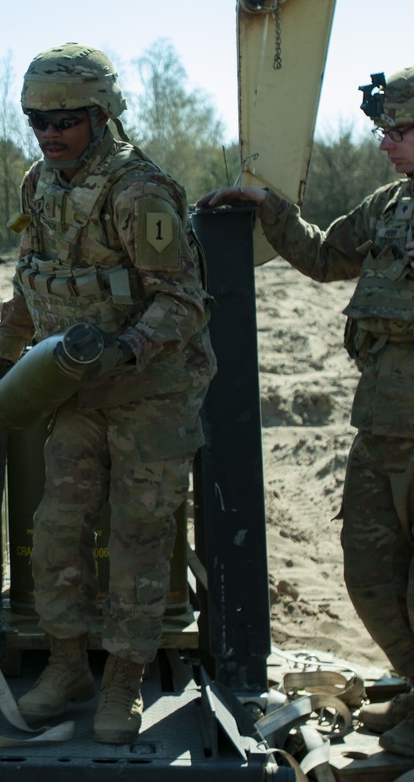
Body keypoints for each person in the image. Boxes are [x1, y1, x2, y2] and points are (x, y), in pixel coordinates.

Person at [0, 43, 216, 744]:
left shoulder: (140, 191)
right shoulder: (39, 186)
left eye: (66, 121)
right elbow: (32, 278)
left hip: (152, 393)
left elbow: (184, 304)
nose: (50, 135)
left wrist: (127, 349)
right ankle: (66, 666)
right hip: (78, 390)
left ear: (102, 115)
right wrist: (2, 355)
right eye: (37, 123)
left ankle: (123, 681)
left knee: (139, 536)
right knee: (56, 527)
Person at [198, 65, 414, 756]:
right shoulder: (390, 206)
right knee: (370, 575)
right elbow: (325, 258)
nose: (388, 144)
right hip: (380, 430)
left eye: (403, 131)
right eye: (384, 131)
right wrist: (268, 208)